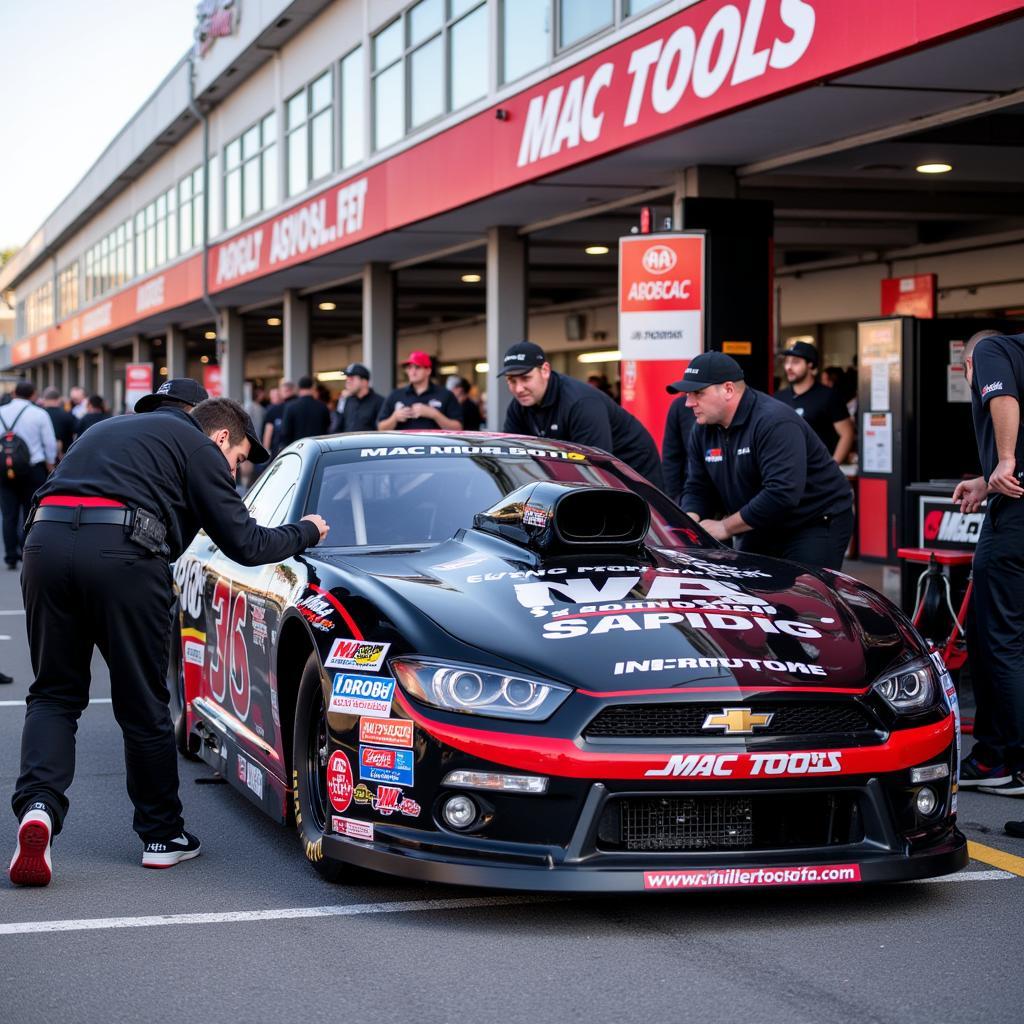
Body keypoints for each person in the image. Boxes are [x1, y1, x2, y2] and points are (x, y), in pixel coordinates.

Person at [7, 395, 330, 886]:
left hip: (44, 544)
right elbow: (246, 544)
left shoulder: (106, 430)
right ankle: (162, 837)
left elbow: (50, 490)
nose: (236, 468)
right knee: (142, 703)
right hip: (124, 554)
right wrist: (306, 530)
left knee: (53, 693)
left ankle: (38, 809)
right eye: (239, 457)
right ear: (222, 436)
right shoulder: (198, 446)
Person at [675, 350, 853, 569]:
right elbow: (698, 487)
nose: (688, 403)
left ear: (728, 389)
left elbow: (782, 493)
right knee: (753, 592)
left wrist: (725, 527)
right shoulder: (702, 430)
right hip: (761, 522)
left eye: (697, 393)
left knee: (804, 595)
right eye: (687, 394)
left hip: (814, 521)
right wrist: (689, 521)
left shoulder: (773, 421)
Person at [949, 330, 1024, 838]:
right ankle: (995, 759)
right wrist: (984, 478)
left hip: (1016, 516)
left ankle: (1013, 762)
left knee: (1000, 643)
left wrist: (1004, 460)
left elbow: (1003, 397)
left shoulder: (993, 348)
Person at [500, 341, 663, 488]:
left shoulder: (581, 402)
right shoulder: (518, 407)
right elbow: (513, 458)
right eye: (511, 381)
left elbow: (595, 465)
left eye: (525, 378)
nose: (518, 388)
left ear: (545, 370)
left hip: (633, 469)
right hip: (586, 470)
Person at [0, 381, 57, 571]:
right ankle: (27, 552)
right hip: (33, 469)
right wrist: (50, 464)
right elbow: (49, 443)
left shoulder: (1, 411)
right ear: (33, 394)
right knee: (31, 512)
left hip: (4, 469)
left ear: (14, 392)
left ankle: (10, 556)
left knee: (8, 514)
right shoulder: (39, 414)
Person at [773, 341, 855, 463]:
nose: (788, 367)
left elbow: (847, 434)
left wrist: (832, 467)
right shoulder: (779, 397)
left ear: (811, 365)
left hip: (819, 473)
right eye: (787, 361)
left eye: (795, 362)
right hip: (788, 471)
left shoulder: (829, 396)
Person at [378, 351, 463, 431]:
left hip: (434, 445)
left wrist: (434, 414)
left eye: (417, 367)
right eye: (409, 368)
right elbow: (380, 428)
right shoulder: (395, 395)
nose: (412, 372)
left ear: (428, 371)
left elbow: (458, 428)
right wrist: (395, 418)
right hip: (404, 446)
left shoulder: (445, 394)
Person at [661, 395, 697, 504]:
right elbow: (671, 458)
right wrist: (674, 500)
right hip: (689, 496)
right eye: (689, 393)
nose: (689, 403)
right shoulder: (680, 406)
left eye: (699, 392)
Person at [278, 375, 330, 447]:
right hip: (318, 449)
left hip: (297, 450)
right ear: (313, 387)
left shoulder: (290, 407)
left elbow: (285, 433)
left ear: (299, 388)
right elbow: (327, 428)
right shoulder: (322, 406)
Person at [332, 363, 383, 433]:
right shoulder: (347, 400)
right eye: (347, 378)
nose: (348, 381)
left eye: (351, 378)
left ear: (364, 382)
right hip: (347, 443)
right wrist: (342, 401)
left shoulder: (380, 402)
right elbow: (336, 428)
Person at [262, 378, 297, 456]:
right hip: (299, 448)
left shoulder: (274, 409)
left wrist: (266, 453)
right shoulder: (299, 406)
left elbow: (268, 432)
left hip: (281, 451)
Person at [41, 387, 76, 460]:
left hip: (43, 456)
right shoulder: (68, 415)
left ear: (44, 399)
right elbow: (75, 432)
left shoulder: (39, 414)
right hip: (64, 456)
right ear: (59, 399)